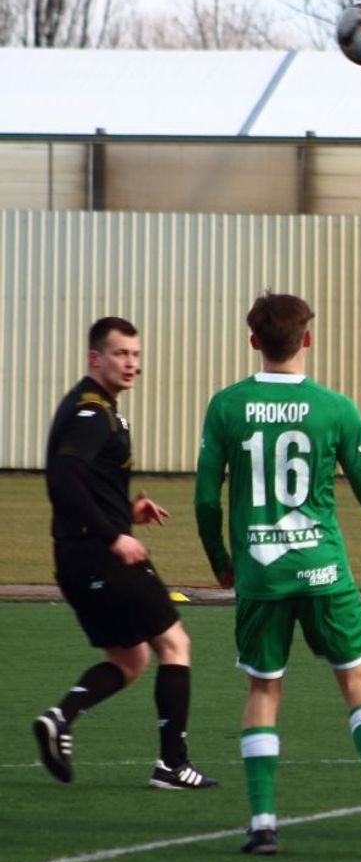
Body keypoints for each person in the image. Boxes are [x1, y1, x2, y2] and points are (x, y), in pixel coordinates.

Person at [194, 293, 361, 856]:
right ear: (307, 339)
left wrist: (220, 560)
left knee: (263, 690)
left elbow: (205, 498)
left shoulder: (226, 406)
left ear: (254, 340)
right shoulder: (335, 408)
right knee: (357, 681)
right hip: (324, 571)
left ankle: (263, 823)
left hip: (260, 574)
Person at [33, 317, 218, 791]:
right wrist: (114, 535)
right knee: (175, 644)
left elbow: (85, 484)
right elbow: (64, 479)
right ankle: (172, 765)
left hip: (76, 556)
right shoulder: (92, 412)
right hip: (102, 556)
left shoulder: (95, 406)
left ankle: (61, 717)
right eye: (120, 353)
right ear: (95, 357)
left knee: (129, 657)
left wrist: (125, 512)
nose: (131, 363)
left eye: (135, 354)